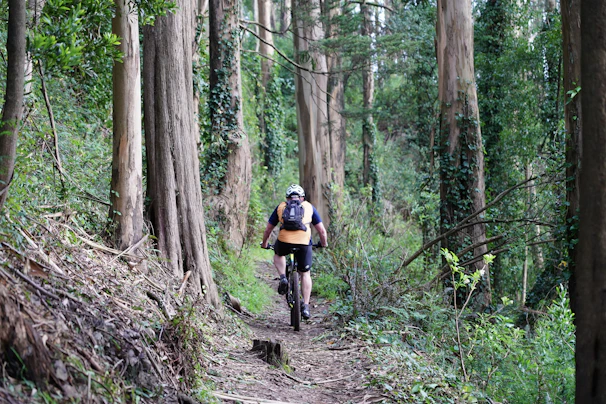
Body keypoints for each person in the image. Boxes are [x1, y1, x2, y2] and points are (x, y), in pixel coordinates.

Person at [261, 184, 328, 320]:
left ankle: (283, 277)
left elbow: (268, 229)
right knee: (305, 274)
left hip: (284, 241)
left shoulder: (281, 207)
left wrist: (265, 243)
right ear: (302, 197)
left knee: (278, 254)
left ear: (287, 198)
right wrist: (323, 243)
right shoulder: (309, 207)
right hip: (304, 243)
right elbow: (321, 231)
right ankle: (306, 306)